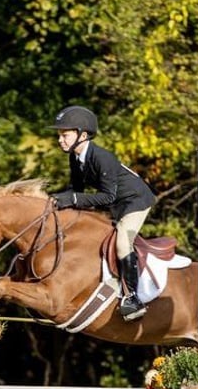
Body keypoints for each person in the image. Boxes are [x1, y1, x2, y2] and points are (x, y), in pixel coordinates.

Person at [49, 105, 156, 321]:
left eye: (65, 134)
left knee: (122, 243)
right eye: (59, 135)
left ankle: (132, 298)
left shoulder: (102, 157)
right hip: (117, 204)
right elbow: (76, 192)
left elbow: (106, 196)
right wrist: (52, 200)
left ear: (83, 135)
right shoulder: (75, 158)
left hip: (136, 201)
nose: (60, 139)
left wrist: (72, 199)